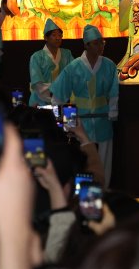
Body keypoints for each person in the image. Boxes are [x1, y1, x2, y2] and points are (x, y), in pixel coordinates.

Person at [50, 25, 118, 186]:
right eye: (96, 43)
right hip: (81, 122)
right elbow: (58, 96)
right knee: (84, 162)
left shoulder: (109, 65)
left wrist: (113, 112)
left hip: (103, 120)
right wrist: (62, 121)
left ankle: (104, 192)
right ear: (86, 45)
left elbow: (114, 92)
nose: (100, 46)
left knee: (104, 161)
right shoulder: (73, 68)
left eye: (102, 43)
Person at [29, 19, 73, 106]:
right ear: (46, 38)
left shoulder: (67, 54)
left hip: (62, 99)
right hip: (40, 100)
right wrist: (55, 97)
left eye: (60, 35)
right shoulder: (37, 57)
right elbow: (38, 83)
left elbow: (73, 76)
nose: (58, 38)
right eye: (54, 35)